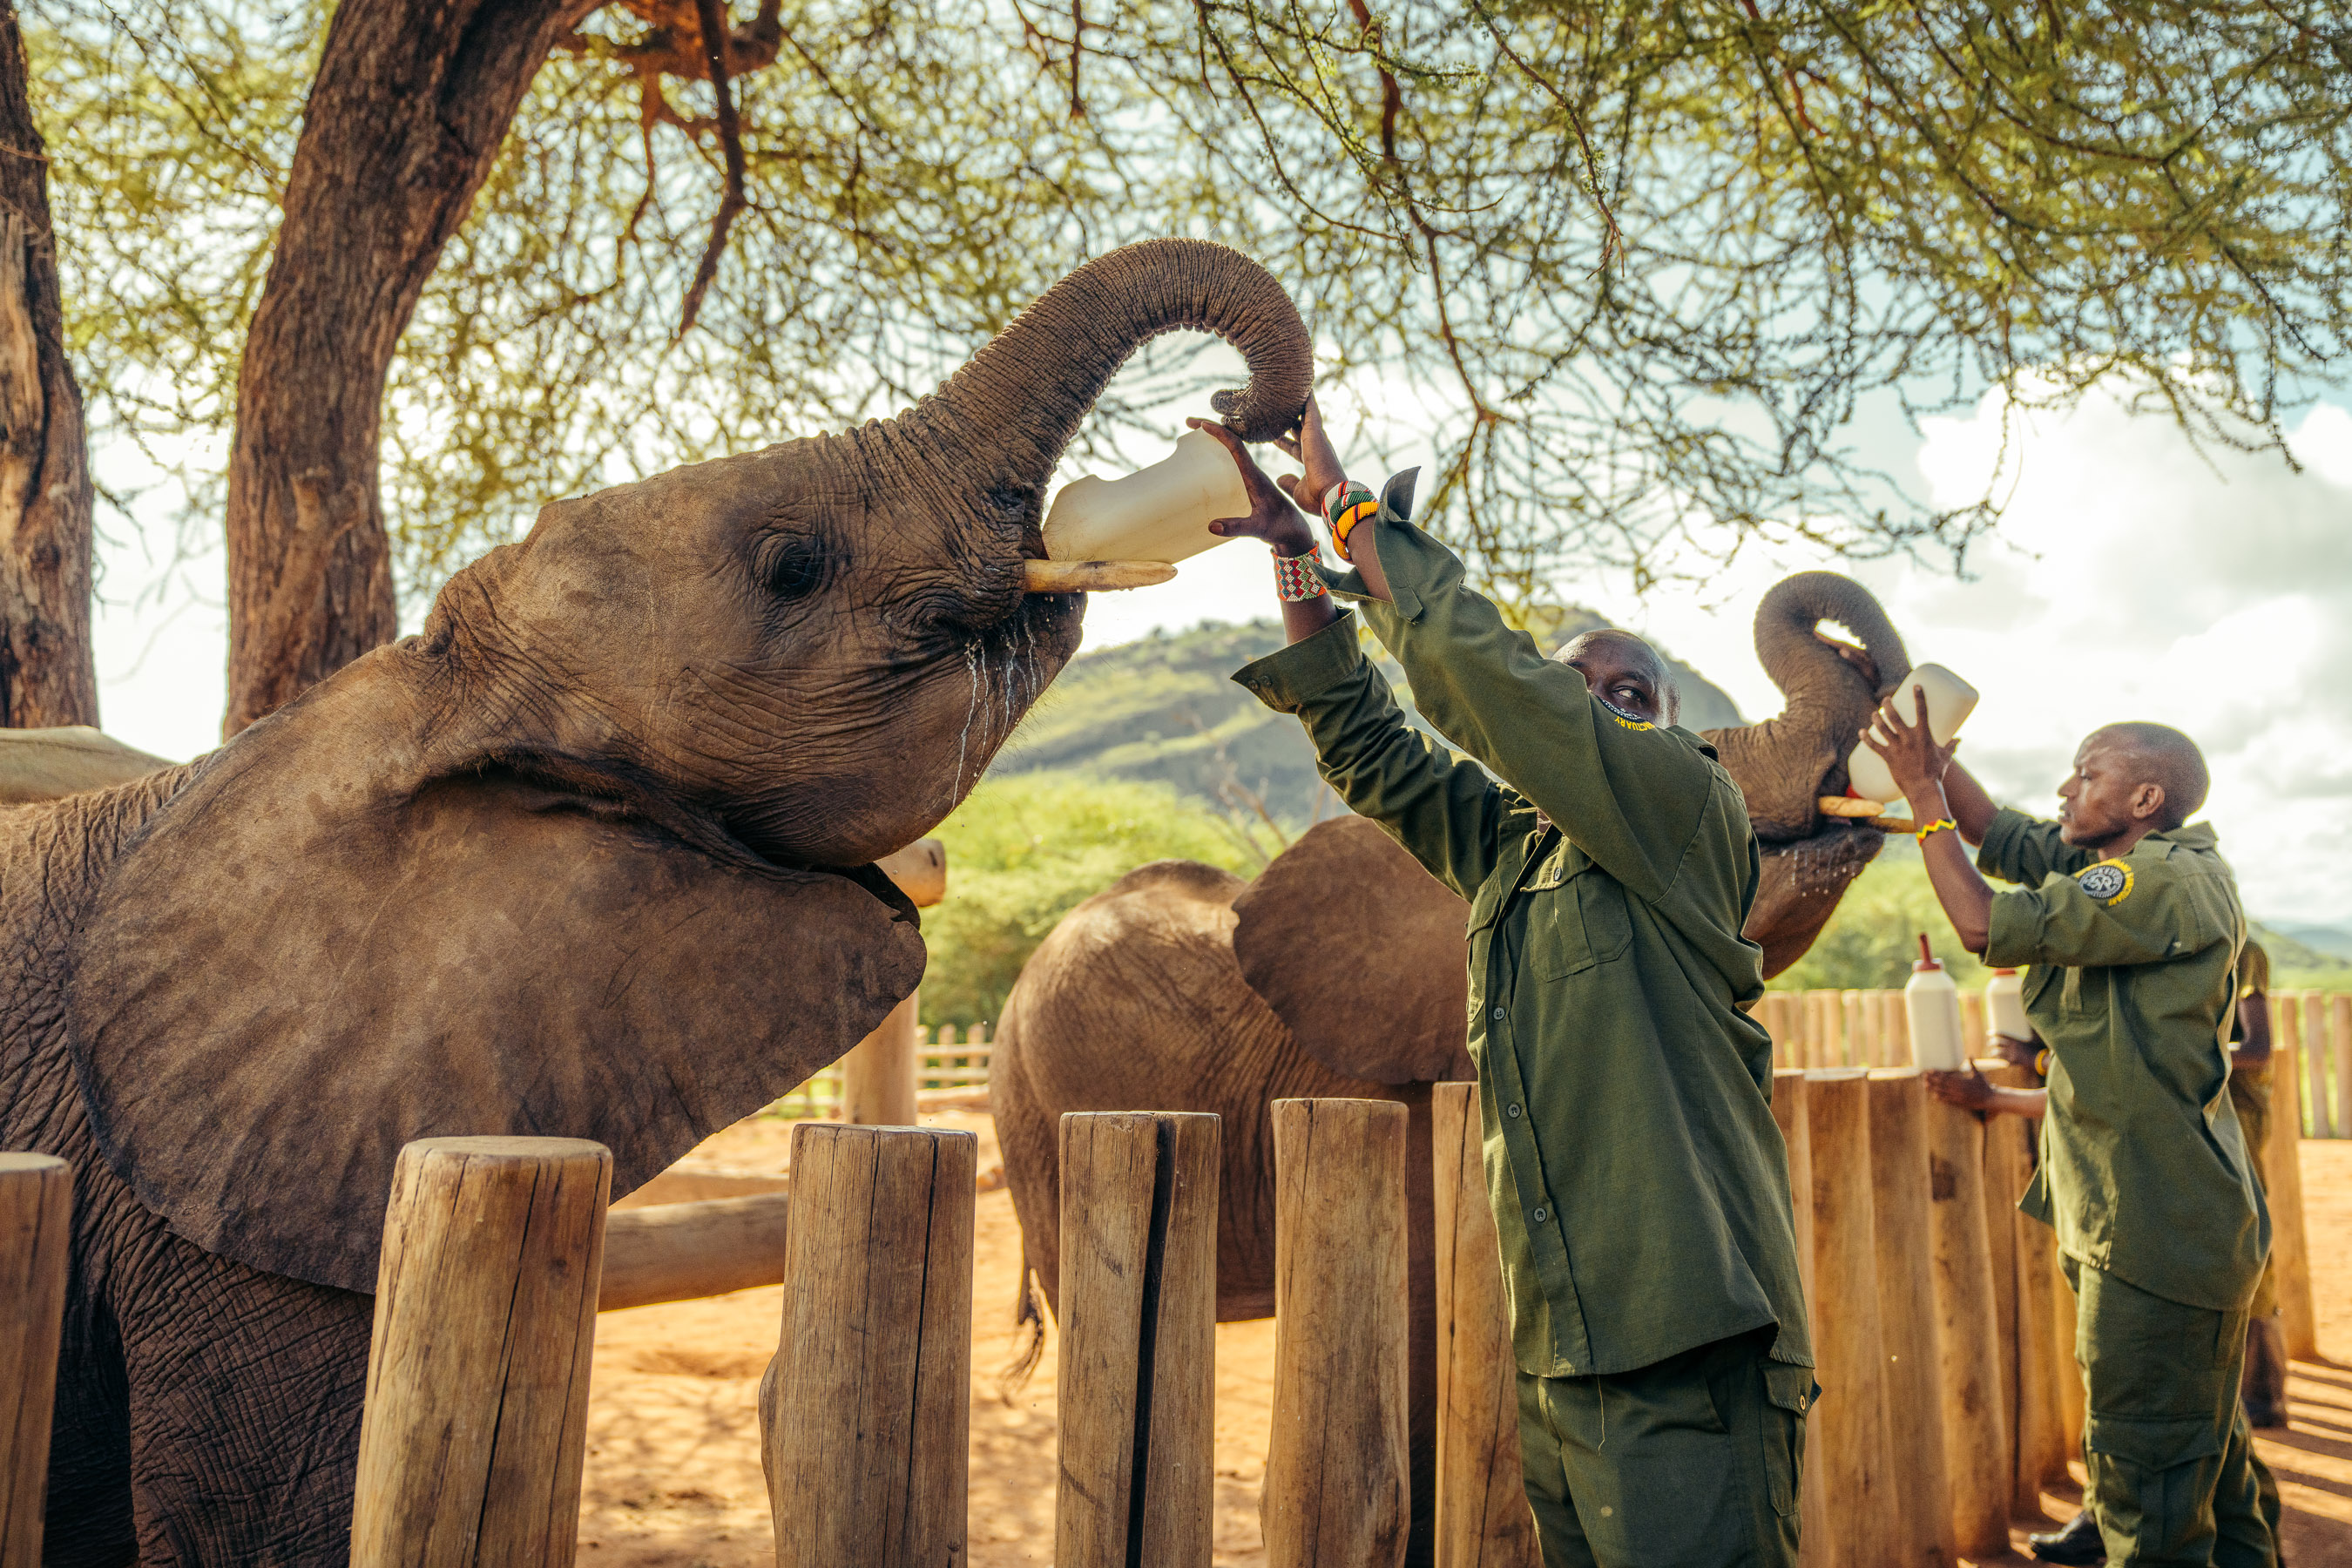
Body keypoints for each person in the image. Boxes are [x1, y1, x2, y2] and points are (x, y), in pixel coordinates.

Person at [1195, 400, 1815, 1568]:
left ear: (1675, 729)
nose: (1597, 702)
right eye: (1579, 682)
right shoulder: (1510, 855)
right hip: (1565, 1349)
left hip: (1690, 1350)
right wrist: (1297, 559)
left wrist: (1345, 505)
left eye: (1630, 695)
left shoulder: (1689, 810)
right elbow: (1369, 741)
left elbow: (1509, 692)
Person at [1867, 703, 2275, 1567]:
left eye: (2088, 774)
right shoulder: (2125, 860)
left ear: (2144, 798)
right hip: (2141, 1218)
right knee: (2201, 1463)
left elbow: (1982, 926)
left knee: (2153, 1491)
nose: (2066, 786)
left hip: (2157, 1230)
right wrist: (1931, 757)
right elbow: (1997, 834)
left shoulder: (2157, 881)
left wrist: (1920, 799)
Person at [2227, 942, 2289, 1429]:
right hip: (2218, 1113)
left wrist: (2185, 1057)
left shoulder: (2242, 952)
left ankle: (2265, 1394)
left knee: (2250, 1243)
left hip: (2240, 1116)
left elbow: (2257, 1047)